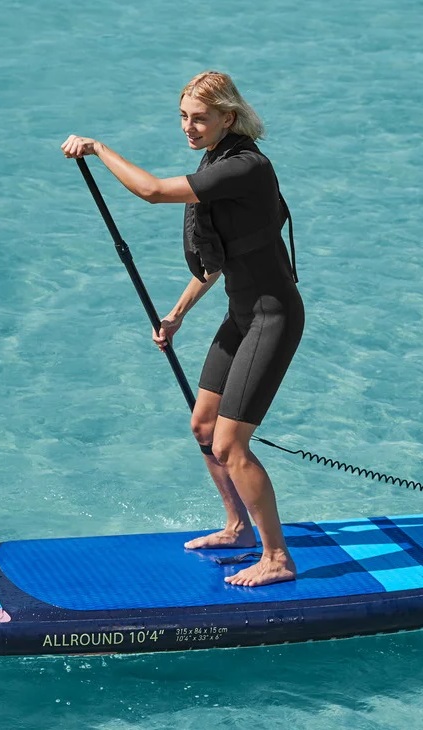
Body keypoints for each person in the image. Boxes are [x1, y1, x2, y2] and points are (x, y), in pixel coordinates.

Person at [61, 71, 304, 587]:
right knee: (203, 427)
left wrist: (100, 148)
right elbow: (218, 260)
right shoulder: (216, 159)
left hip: (272, 317)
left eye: (200, 118)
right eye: (183, 117)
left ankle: (278, 558)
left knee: (232, 445)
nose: (189, 128)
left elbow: (150, 191)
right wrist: (177, 314)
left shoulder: (244, 167)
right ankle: (238, 525)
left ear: (228, 118)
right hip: (240, 316)